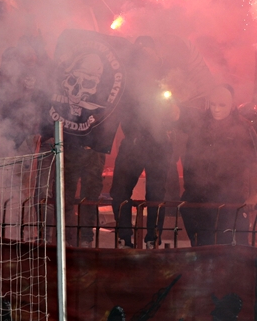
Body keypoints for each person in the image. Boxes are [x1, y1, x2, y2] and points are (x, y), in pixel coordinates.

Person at [109, 36, 176, 248]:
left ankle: (152, 239)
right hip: (133, 142)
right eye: (140, 48)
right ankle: (125, 237)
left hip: (157, 143)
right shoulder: (125, 76)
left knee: (155, 194)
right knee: (119, 191)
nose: (143, 52)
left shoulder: (164, 73)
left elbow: (174, 106)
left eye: (147, 48)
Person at [177, 85, 257, 246]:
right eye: (213, 104)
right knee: (201, 246)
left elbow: (254, 163)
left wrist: (254, 194)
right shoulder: (198, 123)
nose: (216, 109)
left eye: (222, 105)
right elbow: (176, 113)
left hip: (229, 198)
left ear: (232, 104)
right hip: (197, 196)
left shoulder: (244, 129)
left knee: (230, 248)